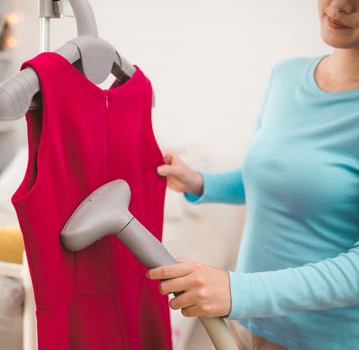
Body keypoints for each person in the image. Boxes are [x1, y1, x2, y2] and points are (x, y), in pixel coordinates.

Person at [146, 0, 359, 349]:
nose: (340, 5)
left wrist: (237, 290)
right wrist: (200, 182)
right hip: (244, 326)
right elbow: (272, 178)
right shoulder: (285, 76)